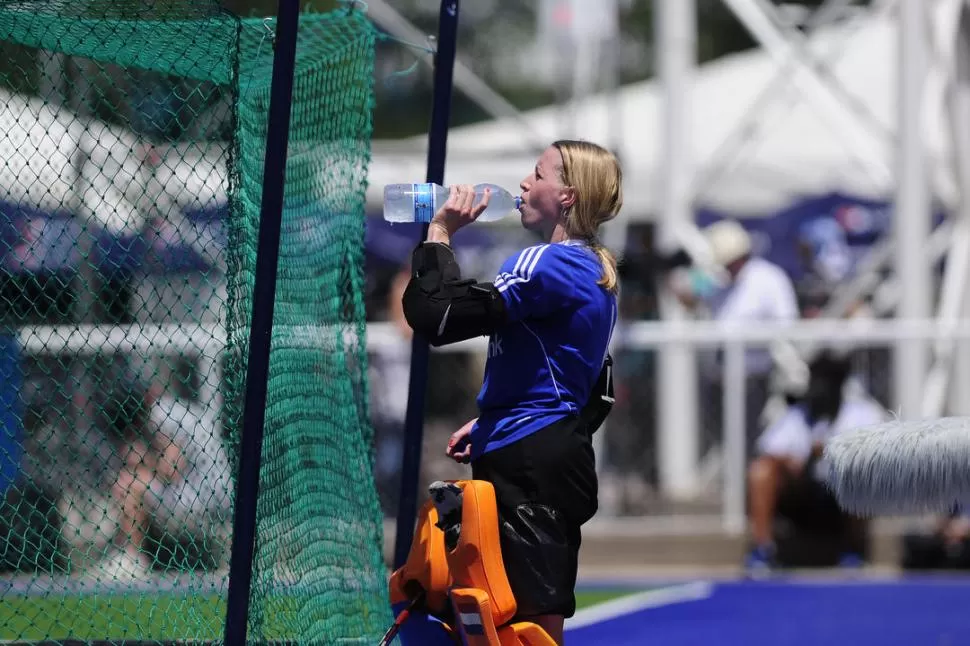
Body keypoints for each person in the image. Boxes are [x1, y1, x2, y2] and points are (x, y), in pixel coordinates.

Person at [401, 140, 620, 644]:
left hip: (532, 461)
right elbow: (592, 387)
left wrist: (439, 232)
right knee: (504, 616)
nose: (523, 183)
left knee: (518, 627)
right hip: (542, 449)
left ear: (568, 195)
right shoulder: (592, 267)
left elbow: (439, 317)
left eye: (538, 174)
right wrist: (494, 420)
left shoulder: (550, 262)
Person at [745, 350, 887, 571]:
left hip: (840, 499)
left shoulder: (861, 415)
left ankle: (854, 549)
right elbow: (769, 453)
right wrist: (793, 461)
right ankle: (763, 550)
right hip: (802, 495)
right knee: (761, 471)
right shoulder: (797, 415)